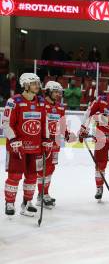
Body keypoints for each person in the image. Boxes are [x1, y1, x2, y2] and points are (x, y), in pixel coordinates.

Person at [3, 73, 52, 216]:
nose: (37, 85)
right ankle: (10, 203)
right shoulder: (14, 101)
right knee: (15, 176)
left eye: (38, 83)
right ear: (25, 85)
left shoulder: (41, 102)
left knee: (32, 176)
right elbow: (6, 123)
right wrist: (13, 140)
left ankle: (27, 202)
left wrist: (47, 140)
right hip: (17, 147)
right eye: (33, 83)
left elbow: (45, 123)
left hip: (36, 147)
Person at [78, 80, 109, 201]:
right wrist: (83, 129)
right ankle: (99, 188)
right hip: (101, 138)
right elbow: (89, 113)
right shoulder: (100, 100)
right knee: (100, 165)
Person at [38, 81, 74, 208]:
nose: (58, 94)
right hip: (43, 142)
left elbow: (63, 125)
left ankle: (44, 194)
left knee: (50, 168)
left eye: (59, 92)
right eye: (55, 91)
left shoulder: (60, 107)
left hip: (56, 142)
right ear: (47, 91)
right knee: (41, 169)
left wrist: (68, 134)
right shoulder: (40, 104)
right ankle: (40, 195)